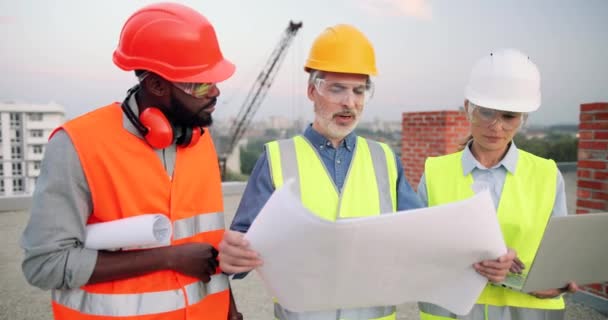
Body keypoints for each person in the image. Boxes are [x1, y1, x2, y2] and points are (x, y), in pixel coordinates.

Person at [217, 24, 513, 320]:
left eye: (359, 90)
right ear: (312, 91)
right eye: (337, 89)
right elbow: (245, 246)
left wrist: (484, 254)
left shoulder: (384, 159)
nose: (350, 102)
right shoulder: (275, 158)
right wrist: (233, 257)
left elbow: (427, 238)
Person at [20, 3, 242, 320]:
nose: (216, 91)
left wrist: (231, 312)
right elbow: (44, 265)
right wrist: (167, 258)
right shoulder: (78, 146)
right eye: (202, 83)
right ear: (156, 85)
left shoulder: (198, 141)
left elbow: (206, 243)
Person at [417, 48, 578, 320]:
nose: (496, 126)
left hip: (526, 311)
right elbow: (416, 250)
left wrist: (558, 283)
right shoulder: (434, 171)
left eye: (509, 116)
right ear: (469, 108)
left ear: (523, 118)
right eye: (487, 112)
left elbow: (559, 260)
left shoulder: (547, 175)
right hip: (451, 311)